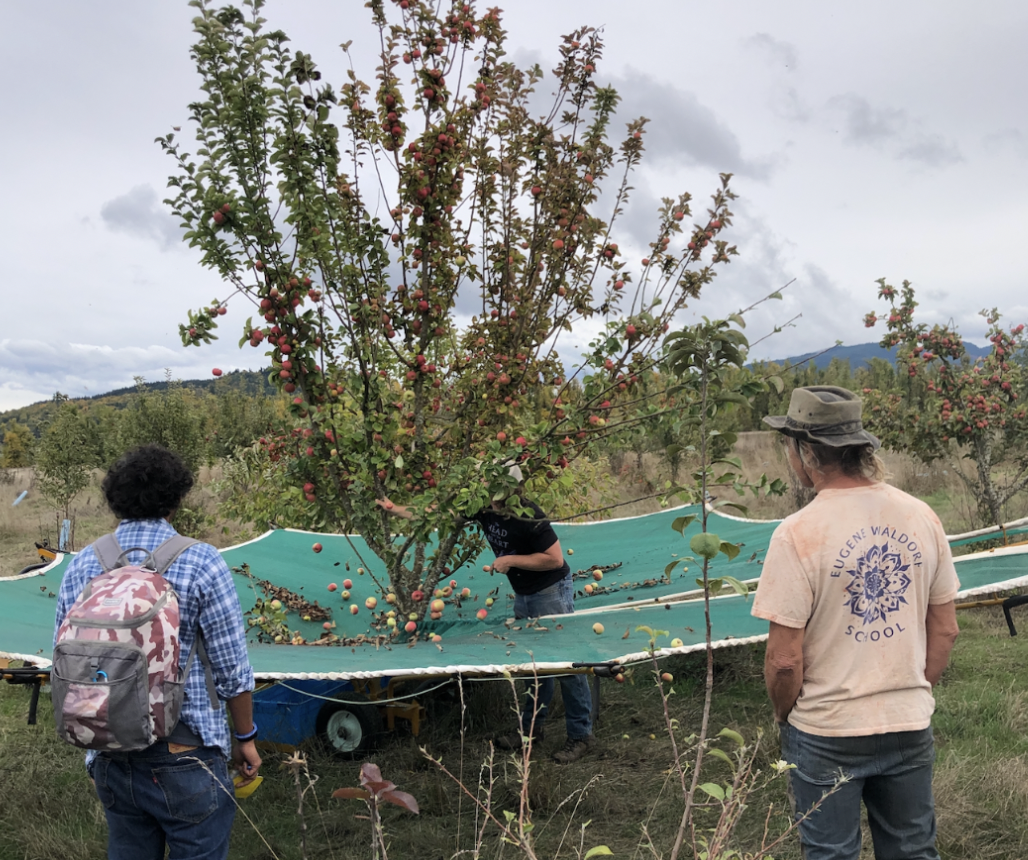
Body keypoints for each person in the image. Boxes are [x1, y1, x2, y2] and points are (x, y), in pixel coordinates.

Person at [752, 386, 960, 860]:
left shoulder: (796, 534)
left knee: (831, 853)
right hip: (908, 723)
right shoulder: (922, 516)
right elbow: (946, 629)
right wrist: (909, 690)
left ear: (806, 452)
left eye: (789, 446)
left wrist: (786, 715)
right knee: (912, 850)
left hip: (825, 731)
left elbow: (784, 661)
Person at [54, 445, 260, 860]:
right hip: (186, 751)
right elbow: (231, 669)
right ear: (176, 499)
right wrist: (246, 738)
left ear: (115, 500)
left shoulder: (84, 563)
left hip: (110, 752)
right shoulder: (201, 561)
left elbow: (65, 660)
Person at [377, 464, 595, 763]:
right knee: (533, 665)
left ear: (513, 489)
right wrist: (395, 509)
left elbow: (555, 560)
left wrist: (511, 560)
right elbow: (438, 513)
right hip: (524, 593)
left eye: (498, 490)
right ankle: (531, 731)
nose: (492, 497)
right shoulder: (482, 506)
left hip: (550, 592)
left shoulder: (529, 514)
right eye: (488, 488)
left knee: (565, 663)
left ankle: (580, 735)